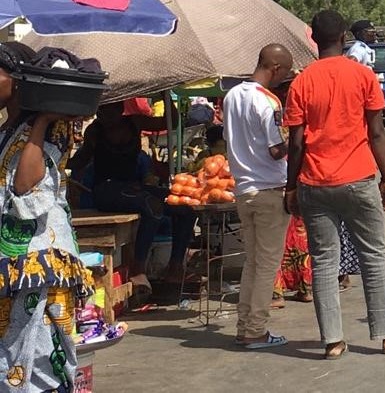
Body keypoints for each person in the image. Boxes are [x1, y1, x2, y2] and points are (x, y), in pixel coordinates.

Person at [284, 10, 385, 358]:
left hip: (314, 182)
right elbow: (376, 132)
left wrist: (290, 188)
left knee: (324, 262)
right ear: (344, 37)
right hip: (358, 178)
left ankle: (333, 342)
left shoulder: (301, 83)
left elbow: (296, 143)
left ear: (313, 38)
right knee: (374, 256)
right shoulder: (363, 76)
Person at [0, 43, 94, 391]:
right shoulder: (4, 130)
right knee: (9, 357)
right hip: (9, 265)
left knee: (39, 356)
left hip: (39, 261)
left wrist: (40, 120)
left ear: (17, 80)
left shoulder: (52, 130)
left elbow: (26, 186)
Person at [68, 100, 196, 304]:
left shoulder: (134, 123)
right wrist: (65, 165)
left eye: (109, 110)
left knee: (185, 206)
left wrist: (162, 94)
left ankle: (175, 266)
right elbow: (83, 158)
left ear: (119, 109)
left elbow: (170, 122)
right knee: (151, 206)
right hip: (107, 190)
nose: (105, 115)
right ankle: (138, 270)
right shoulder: (94, 131)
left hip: (133, 187)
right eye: (101, 110)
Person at [223, 44, 294, 349]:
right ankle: (256, 330)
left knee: (252, 262)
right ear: (275, 68)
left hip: (243, 189)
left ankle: (244, 326)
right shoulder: (269, 102)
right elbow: (276, 150)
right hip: (269, 189)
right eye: (286, 71)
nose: (286, 77)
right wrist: (297, 137)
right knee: (266, 266)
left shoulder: (231, 96)